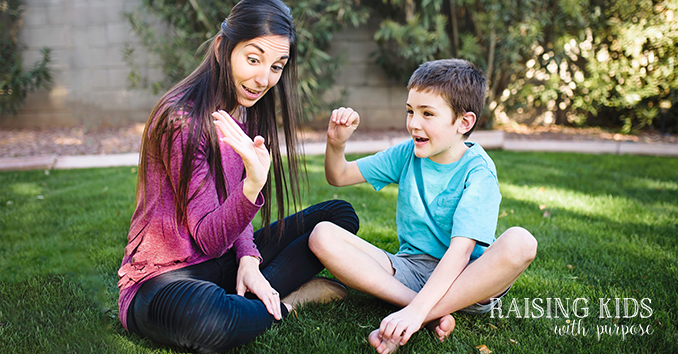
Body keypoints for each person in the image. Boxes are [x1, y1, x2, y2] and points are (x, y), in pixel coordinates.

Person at [116, 0, 359, 352]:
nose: (264, 79)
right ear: (221, 49)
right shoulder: (181, 120)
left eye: (277, 66)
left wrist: (248, 258)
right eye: (253, 59)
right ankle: (290, 301)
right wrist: (251, 188)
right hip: (165, 279)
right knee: (210, 320)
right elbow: (208, 238)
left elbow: (230, 226)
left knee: (338, 217)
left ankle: (251, 290)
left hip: (222, 260)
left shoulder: (246, 110)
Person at [309, 59, 538, 353]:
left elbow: (461, 252)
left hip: (466, 281)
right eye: (410, 111)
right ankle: (424, 311)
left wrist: (414, 315)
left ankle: (418, 312)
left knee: (521, 241)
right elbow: (338, 175)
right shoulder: (407, 154)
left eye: (427, 113)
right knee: (322, 235)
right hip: (410, 270)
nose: (413, 123)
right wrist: (336, 144)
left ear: (464, 123)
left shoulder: (478, 171)